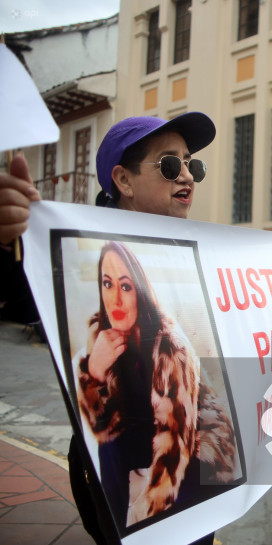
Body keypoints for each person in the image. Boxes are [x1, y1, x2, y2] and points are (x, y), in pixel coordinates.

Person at [0, 113, 223, 544]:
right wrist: (6, 240)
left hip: (192, 489)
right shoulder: (75, 251)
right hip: (115, 489)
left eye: (192, 165)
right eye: (170, 165)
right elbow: (20, 293)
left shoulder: (196, 255)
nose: (188, 177)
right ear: (123, 179)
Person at [75, 241, 237, 527]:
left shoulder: (172, 347)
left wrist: (150, 520)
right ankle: (113, 531)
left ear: (140, 289)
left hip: (195, 443)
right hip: (138, 441)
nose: (115, 299)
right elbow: (98, 426)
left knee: (181, 518)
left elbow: (177, 446)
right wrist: (95, 371)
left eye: (125, 286)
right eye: (107, 284)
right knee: (106, 449)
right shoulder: (100, 335)